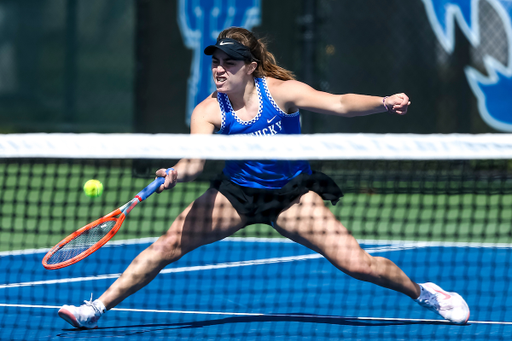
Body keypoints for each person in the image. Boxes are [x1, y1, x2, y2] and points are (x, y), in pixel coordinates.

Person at [58, 27, 470, 329]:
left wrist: (383, 102)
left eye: (229, 62)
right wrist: (175, 172)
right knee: (167, 245)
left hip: (291, 196)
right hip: (236, 195)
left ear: (250, 67)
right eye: (216, 62)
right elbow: (195, 161)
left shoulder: (281, 92)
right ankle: (95, 309)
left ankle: (427, 293)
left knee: (357, 264)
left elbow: (340, 103)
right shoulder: (209, 110)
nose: (220, 69)